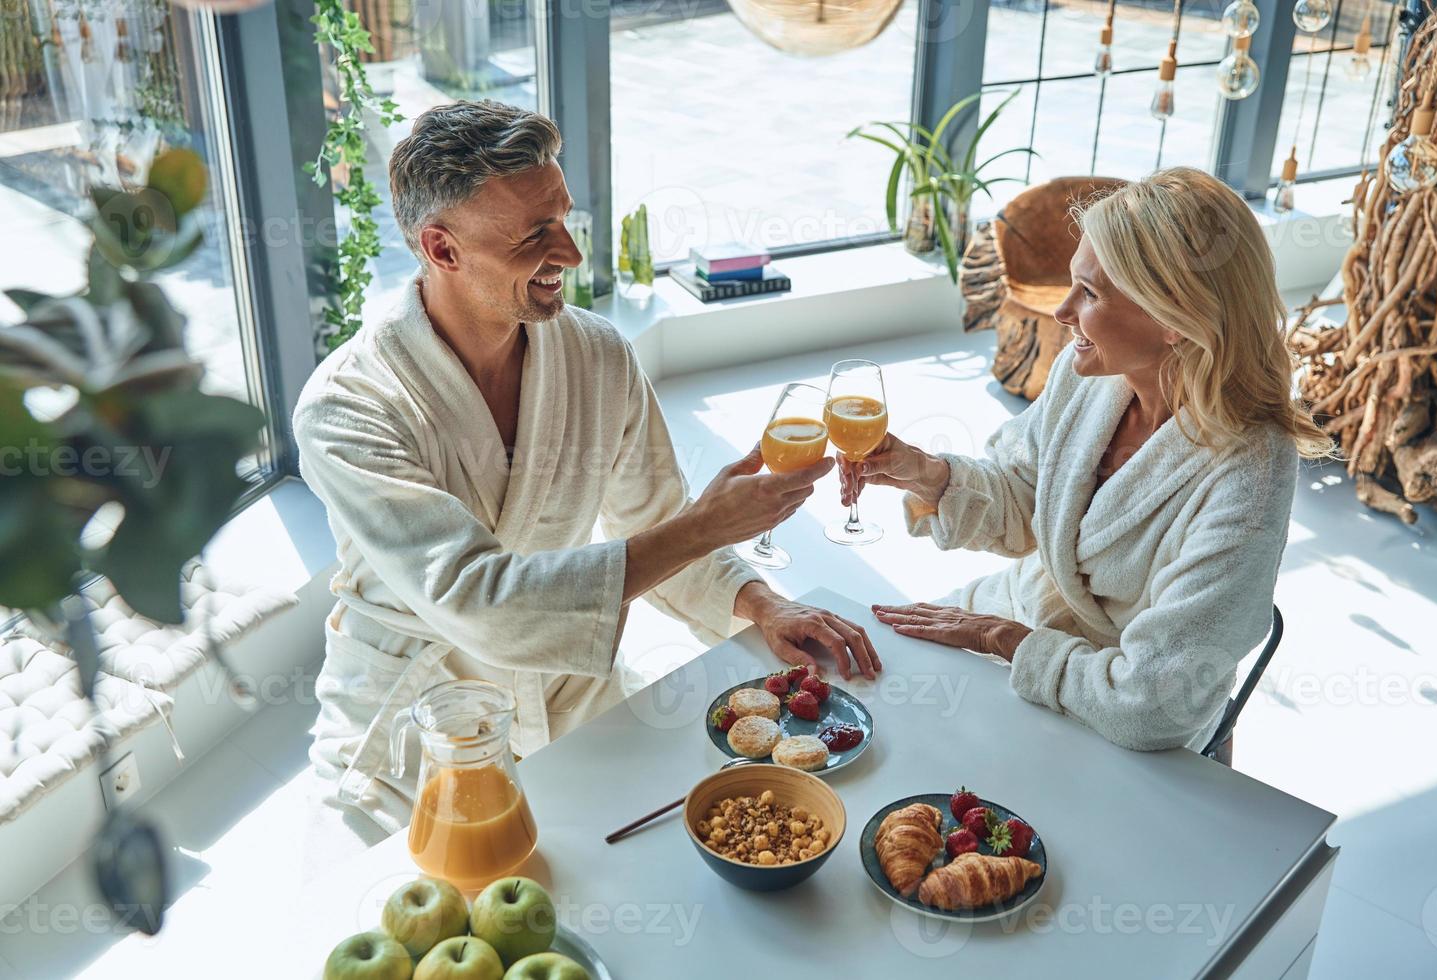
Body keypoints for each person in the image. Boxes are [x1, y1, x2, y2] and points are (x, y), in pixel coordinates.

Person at [293, 100, 880, 844]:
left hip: (572, 701)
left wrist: (763, 605)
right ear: (441, 249)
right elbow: (481, 605)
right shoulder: (351, 408)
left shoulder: (596, 356)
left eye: (565, 218)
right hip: (414, 729)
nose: (568, 253)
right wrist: (701, 527)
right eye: (535, 234)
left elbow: (655, 532)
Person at [847, 167, 1331, 755]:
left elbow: (1157, 703)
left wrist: (1004, 641)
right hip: (1021, 612)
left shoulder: (1248, 474)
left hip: (1106, 698)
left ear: (1176, 320)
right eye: (1074, 282)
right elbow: (1030, 499)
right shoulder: (1093, 379)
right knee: (866, 698)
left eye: (1092, 294)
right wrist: (931, 474)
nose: (1062, 311)